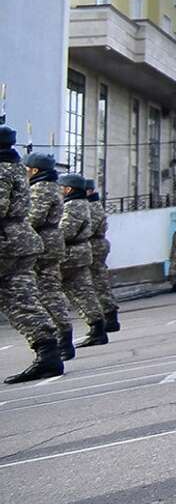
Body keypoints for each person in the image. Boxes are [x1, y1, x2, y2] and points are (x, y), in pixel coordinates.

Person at [1, 126, 62, 384]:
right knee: (20, 300)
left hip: (5, 240)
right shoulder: (15, 168)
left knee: (19, 299)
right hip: (21, 240)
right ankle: (48, 353)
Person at [21, 152, 72, 361]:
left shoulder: (41, 189)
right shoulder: (51, 187)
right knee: (50, 290)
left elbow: (34, 217)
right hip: (50, 242)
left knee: (47, 292)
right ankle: (64, 339)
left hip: (43, 244)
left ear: (34, 170)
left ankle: (62, 340)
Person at [58, 174, 106, 348]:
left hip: (71, 253)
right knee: (83, 292)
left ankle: (93, 330)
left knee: (63, 292)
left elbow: (65, 231)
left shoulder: (73, 206)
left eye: (61, 187)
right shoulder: (82, 204)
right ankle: (97, 329)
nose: (59, 190)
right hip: (79, 252)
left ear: (68, 189)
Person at [84, 177, 117, 330]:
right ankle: (106, 316)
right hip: (94, 245)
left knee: (99, 282)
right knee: (96, 282)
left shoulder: (93, 207)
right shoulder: (89, 205)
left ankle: (110, 317)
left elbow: (88, 229)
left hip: (95, 246)